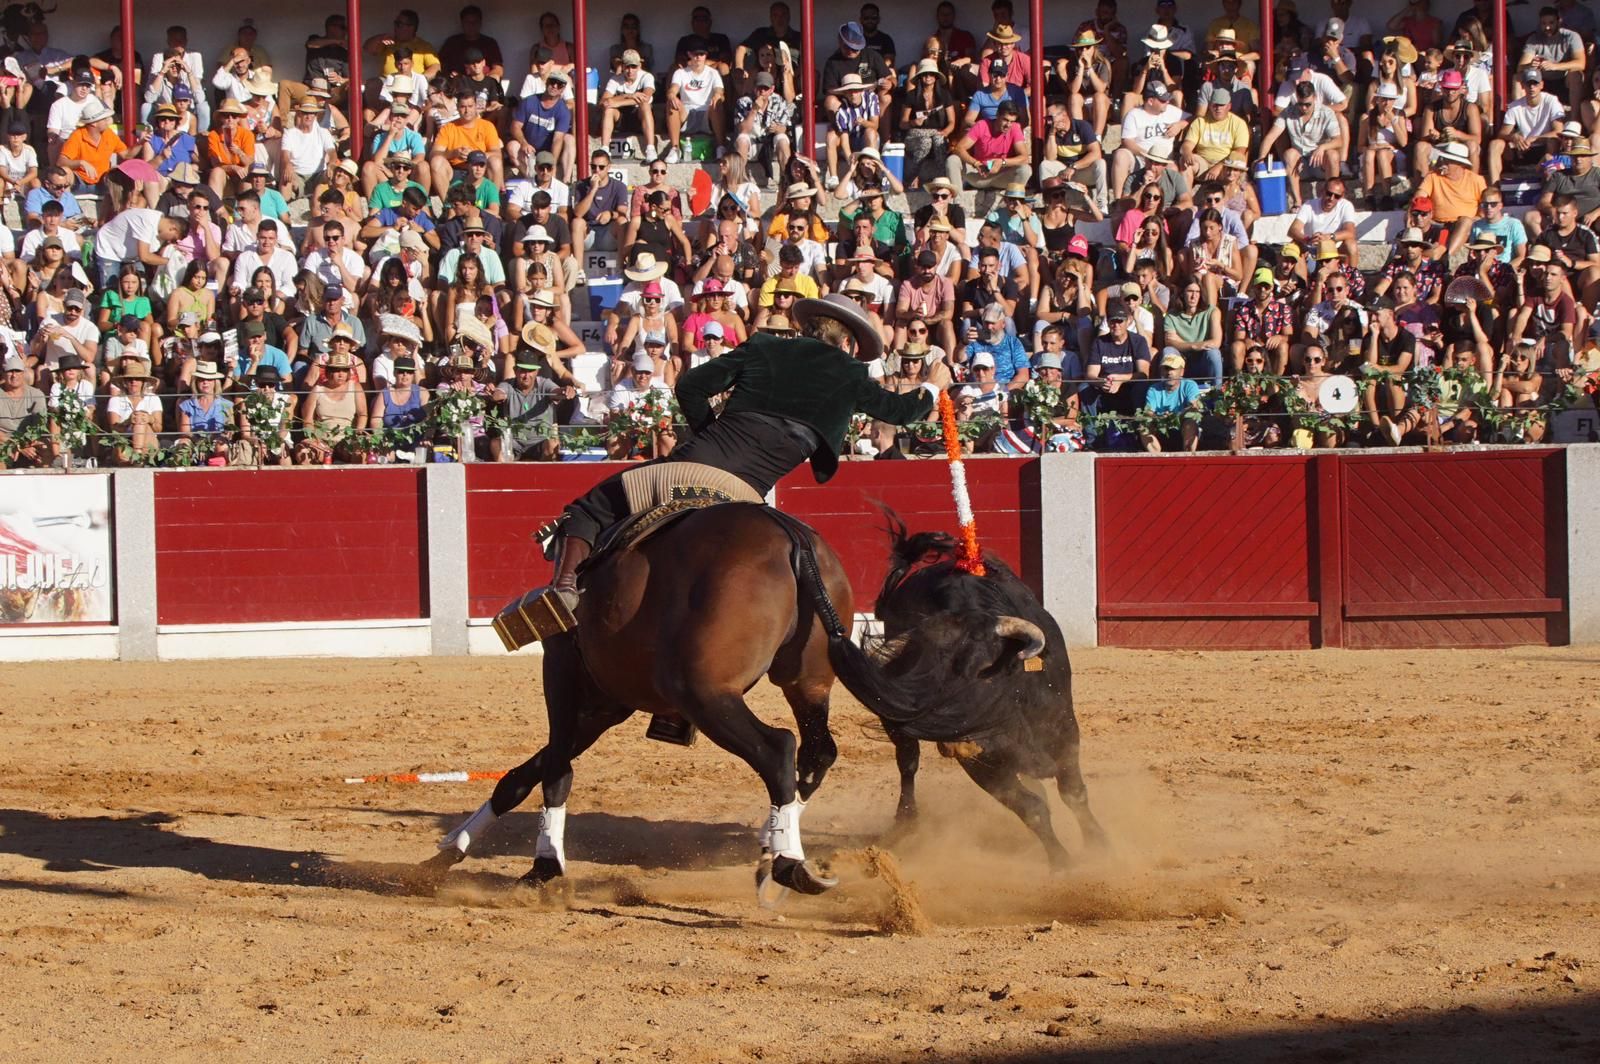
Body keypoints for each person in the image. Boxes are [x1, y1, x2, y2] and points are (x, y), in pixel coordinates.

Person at [521, 295, 952, 616]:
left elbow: (690, 387)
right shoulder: (851, 373)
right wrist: (933, 384)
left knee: (589, 508)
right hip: (748, 494)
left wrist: (712, 435)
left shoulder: (765, 346)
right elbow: (901, 411)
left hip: (691, 467)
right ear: (849, 343)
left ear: (808, 328)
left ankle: (563, 592)